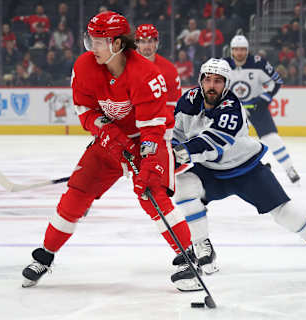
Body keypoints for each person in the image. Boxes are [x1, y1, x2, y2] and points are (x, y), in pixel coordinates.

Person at [21, 11, 194, 291]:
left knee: (152, 195)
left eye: (98, 41)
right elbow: (85, 110)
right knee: (76, 194)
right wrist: (107, 132)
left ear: (117, 44)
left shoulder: (147, 74)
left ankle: (188, 259)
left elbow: (153, 129)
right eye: (90, 40)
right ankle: (45, 255)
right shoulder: (86, 66)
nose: (92, 48)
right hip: (109, 140)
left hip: (146, 140)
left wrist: (147, 161)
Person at [171, 58, 306, 280]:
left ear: (227, 84)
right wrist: (163, 155)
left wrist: (176, 154)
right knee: (184, 185)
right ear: (200, 81)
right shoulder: (188, 100)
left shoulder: (232, 107)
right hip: (210, 171)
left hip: (245, 169)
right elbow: (176, 134)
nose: (212, 85)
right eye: (208, 80)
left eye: (218, 81)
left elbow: (210, 143)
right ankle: (202, 246)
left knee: (285, 212)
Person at [225, 35, 300, 183]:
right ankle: (235, 172)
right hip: (233, 110)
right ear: (231, 51)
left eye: (242, 49)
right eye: (236, 50)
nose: (239, 53)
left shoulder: (258, 63)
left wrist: (263, 99)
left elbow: (276, 81)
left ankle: (289, 169)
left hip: (257, 108)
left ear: (247, 51)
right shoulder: (223, 65)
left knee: (272, 139)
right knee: (228, 143)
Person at [135, 24, 182, 113]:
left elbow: (174, 104)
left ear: (156, 43)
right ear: (137, 43)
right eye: (143, 42)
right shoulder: (126, 66)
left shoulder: (169, 69)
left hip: (159, 122)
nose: (147, 46)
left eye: (150, 41)